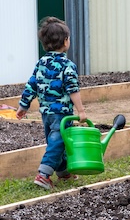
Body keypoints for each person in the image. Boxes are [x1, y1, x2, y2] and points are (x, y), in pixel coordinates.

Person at [16, 16, 87, 190]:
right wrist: (81, 111)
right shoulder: (67, 65)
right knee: (58, 141)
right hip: (62, 113)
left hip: (46, 113)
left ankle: (62, 171)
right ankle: (43, 174)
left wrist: (23, 106)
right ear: (65, 41)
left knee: (55, 142)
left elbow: (31, 85)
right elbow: (73, 89)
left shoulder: (40, 63)